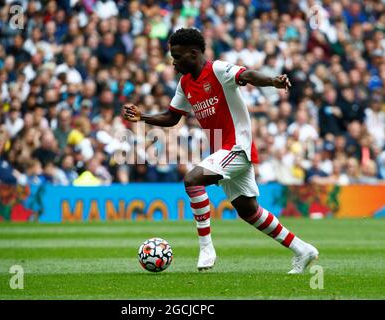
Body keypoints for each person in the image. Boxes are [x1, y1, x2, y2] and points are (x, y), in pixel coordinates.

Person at [122, 28, 318, 274]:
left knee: (192, 179)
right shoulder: (185, 84)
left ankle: (206, 247)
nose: (173, 61)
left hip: (237, 145)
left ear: (194, 54)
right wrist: (143, 117)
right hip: (223, 150)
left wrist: (272, 81)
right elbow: (172, 117)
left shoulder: (217, 70)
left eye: (177, 55)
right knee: (249, 211)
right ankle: (303, 249)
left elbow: (246, 75)